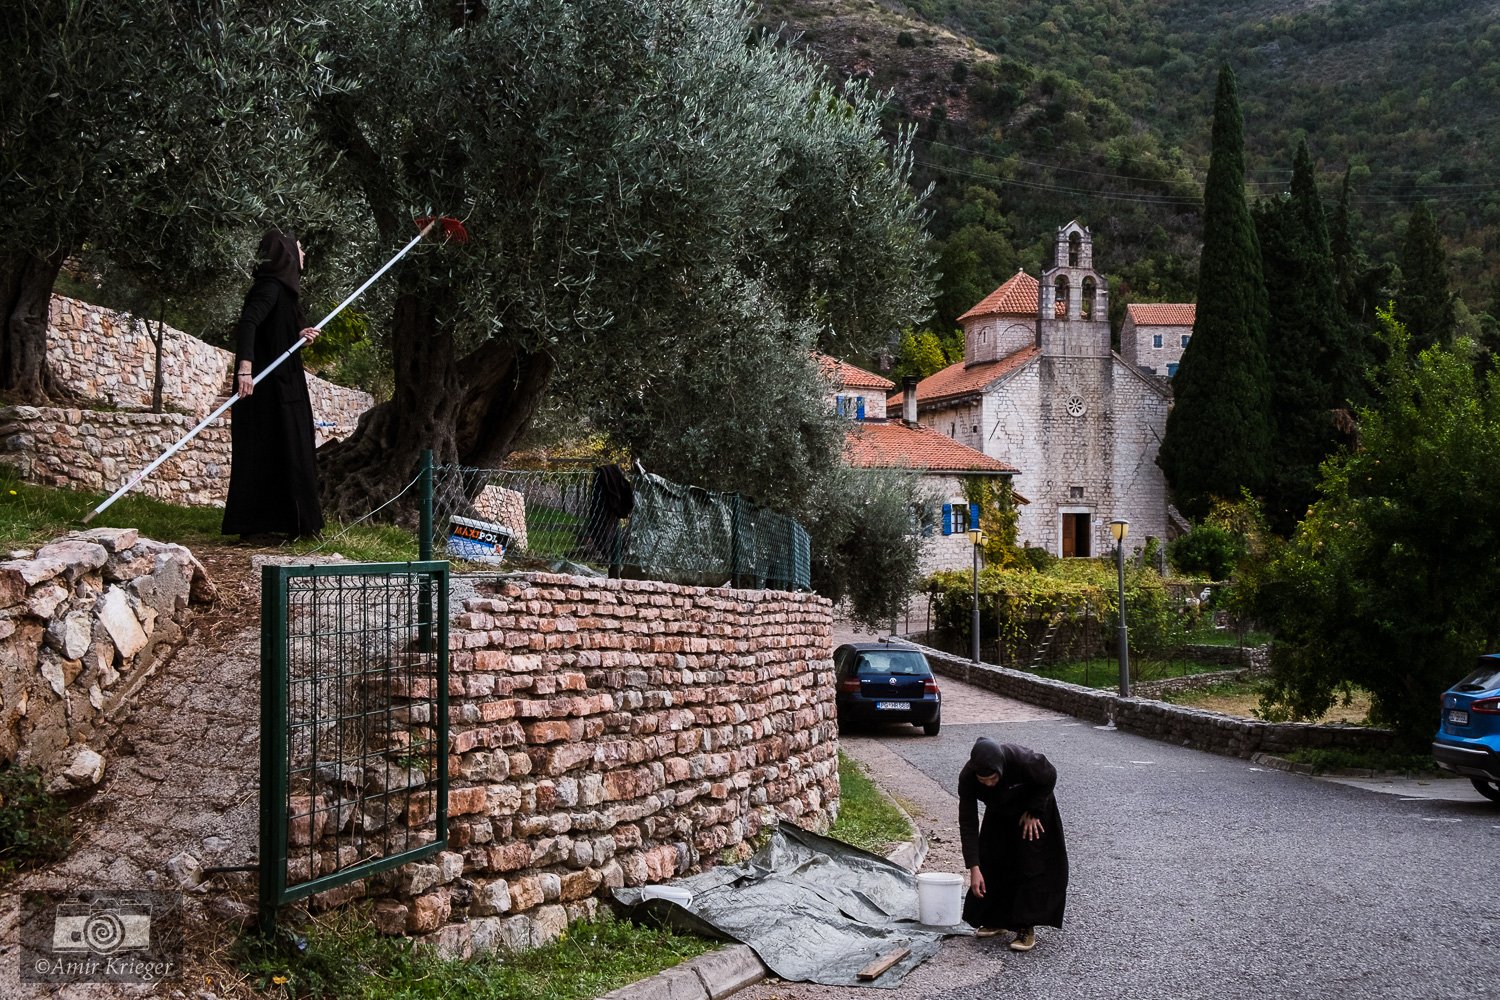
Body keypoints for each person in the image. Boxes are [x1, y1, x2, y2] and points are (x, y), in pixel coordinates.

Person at [221, 229, 324, 542]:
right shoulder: (269, 287)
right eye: (300, 249)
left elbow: (276, 335)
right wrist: (244, 371)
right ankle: (254, 527)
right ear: (288, 254)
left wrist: (299, 336)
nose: (304, 254)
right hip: (263, 389)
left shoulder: (288, 294)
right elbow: (249, 324)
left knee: (294, 449)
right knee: (263, 451)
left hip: (287, 385)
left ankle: (297, 523)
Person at [958, 736, 1068, 952]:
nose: (989, 784)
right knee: (992, 857)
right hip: (1000, 810)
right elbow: (968, 821)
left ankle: (1026, 926)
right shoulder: (967, 777)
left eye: (993, 778)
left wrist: (1035, 811)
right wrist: (974, 867)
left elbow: (1049, 776)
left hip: (1033, 809)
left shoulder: (1025, 761)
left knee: (1029, 862)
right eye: (984, 781)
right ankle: (996, 919)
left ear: (1001, 768)